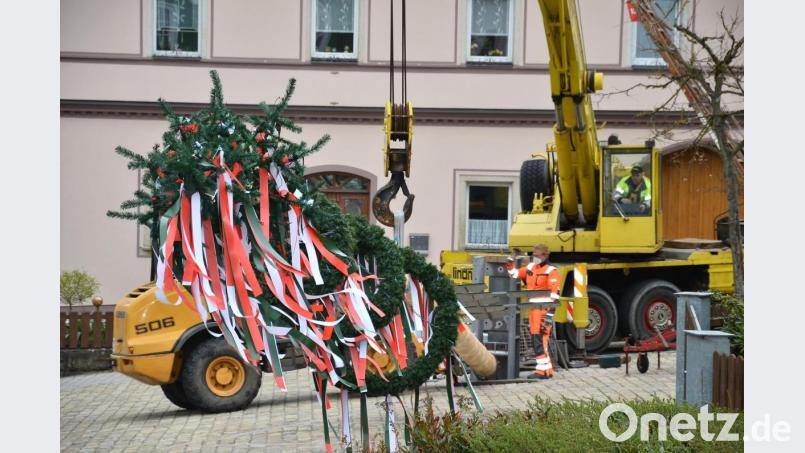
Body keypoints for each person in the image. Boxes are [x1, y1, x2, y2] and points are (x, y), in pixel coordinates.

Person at [506, 244, 560, 379]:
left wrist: (549, 316)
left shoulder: (552, 271)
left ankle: (542, 371)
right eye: (533, 255)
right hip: (533, 310)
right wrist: (510, 263)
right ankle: (546, 369)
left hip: (543, 310)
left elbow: (554, 296)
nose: (534, 258)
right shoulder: (530, 268)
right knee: (539, 339)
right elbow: (515, 274)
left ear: (545, 255)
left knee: (540, 340)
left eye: (537, 255)